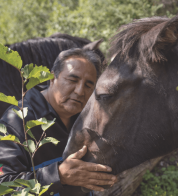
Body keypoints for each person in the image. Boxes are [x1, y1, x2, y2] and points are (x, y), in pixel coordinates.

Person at [0, 45, 117, 196]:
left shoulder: (87, 118)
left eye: (89, 85)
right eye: (72, 80)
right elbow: (5, 186)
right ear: (52, 78)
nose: (80, 91)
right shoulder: (16, 121)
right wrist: (58, 175)